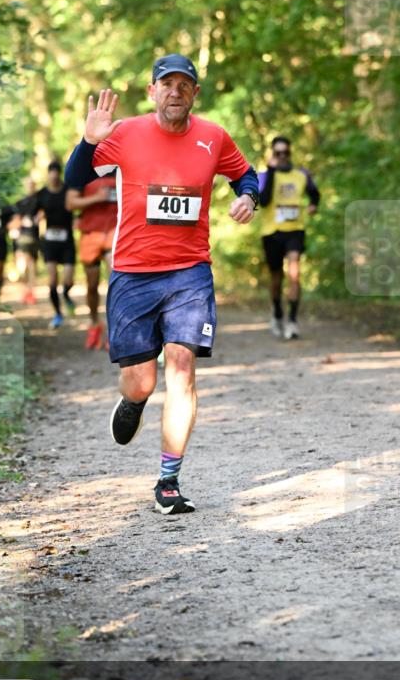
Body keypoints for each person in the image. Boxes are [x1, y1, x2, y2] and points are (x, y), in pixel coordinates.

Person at [65, 53, 259, 515]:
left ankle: (168, 480)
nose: (175, 92)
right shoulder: (125, 133)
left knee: (182, 367)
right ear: (152, 92)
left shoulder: (213, 138)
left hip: (190, 272)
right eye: (166, 84)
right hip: (133, 273)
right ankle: (132, 403)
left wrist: (249, 196)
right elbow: (74, 180)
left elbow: (246, 174)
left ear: (195, 93)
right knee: (140, 381)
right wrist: (88, 142)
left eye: (184, 85)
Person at [258, 135, 320, 339]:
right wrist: (272, 171)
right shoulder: (265, 176)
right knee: (276, 278)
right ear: (273, 154)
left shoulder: (301, 174)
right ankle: (277, 313)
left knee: (295, 271)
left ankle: (292, 321)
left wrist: (313, 205)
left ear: (290, 153)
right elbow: (264, 201)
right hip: (272, 232)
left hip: (295, 229)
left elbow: (314, 193)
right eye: (278, 153)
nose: (283, 156)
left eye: (286, 153)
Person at [66, 172, 118, 350]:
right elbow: (70, 203)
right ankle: (94, 323)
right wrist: (97, 198)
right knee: (92, 285)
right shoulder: (85, 167)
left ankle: (115, 330)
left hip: (114, 233)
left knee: (115, 283)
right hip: (90, 234)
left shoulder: (121, 165)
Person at [33, 160, 76, 329]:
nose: (54, 176)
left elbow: (76, 206)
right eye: (51, 173)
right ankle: (58, 314)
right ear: (48, 175)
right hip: (50, 240)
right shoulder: (42, 194)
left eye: (57, 173)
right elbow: (33, 211)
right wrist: (36, 218)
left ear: (59, 174)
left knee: (68, 279)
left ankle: (66, 293)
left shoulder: (68, 191)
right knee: (52, 280)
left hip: (67, 240)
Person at [14, 176, 40, 305]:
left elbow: (43, 214)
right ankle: (25, 291)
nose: (30, 187)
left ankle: (31, 292)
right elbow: (15, 220)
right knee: (22, 265)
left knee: (31, 265)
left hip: (34, 238)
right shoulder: (20, 203)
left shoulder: (39, 201)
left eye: (32, 184)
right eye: (28, 185)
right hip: (22, 237)